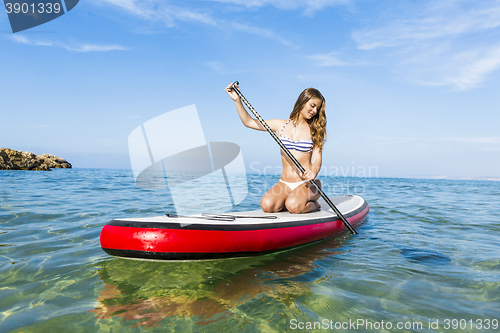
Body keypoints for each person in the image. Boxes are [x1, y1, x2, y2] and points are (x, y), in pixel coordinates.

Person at [225, 82, 326, 214]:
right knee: (267, 205)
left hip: (307, 184)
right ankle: (291, 202)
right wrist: (237, 101)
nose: (314, 111)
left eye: (317, 109)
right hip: (284, 183)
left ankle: (314, 205)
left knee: (294, 205)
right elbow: (248, 122)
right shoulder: (280, 125)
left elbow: (317, 159)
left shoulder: (315, 130)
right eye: (312, 106)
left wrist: (314, 172)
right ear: (303, 101)